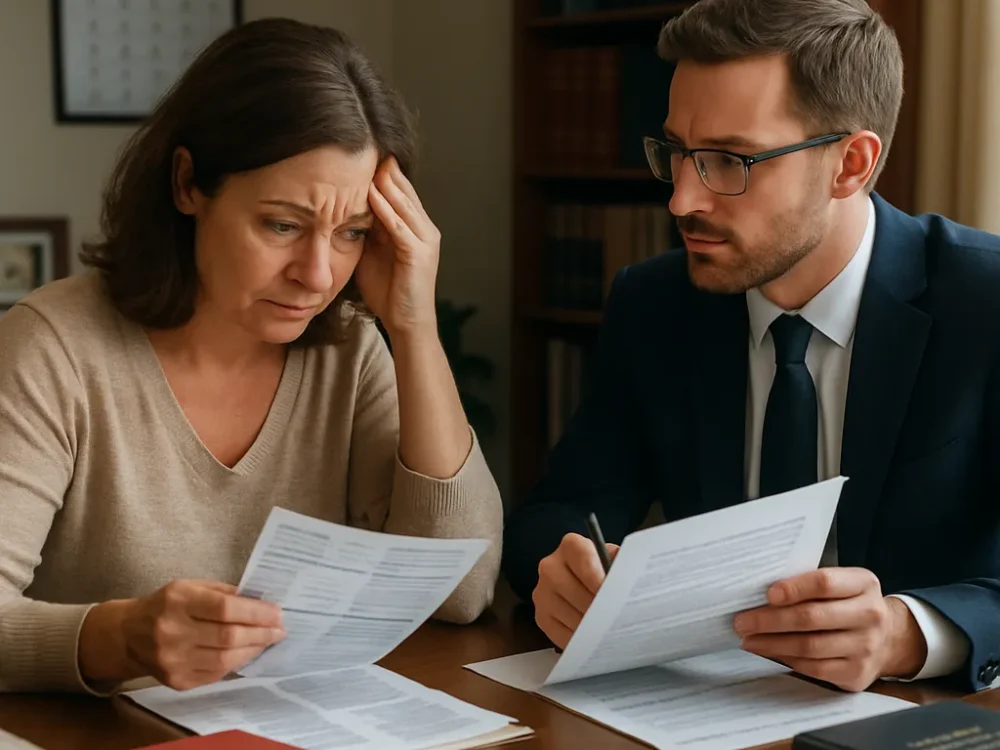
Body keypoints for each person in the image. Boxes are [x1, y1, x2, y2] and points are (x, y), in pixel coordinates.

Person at [502, 0, 1000, 694]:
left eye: (729, 160)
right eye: (677, 152)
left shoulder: (985, 301)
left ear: (850, 164)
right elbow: (557, 512)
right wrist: (559, 570)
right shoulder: (652, 303)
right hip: (695, 711)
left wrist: (908, 632)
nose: (681, 200)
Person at [0, 18, 503, 695]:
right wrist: (123, 638)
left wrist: (412, 326)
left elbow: (461, 590)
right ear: (188, 184)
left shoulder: (349, 349)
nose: (318, 275)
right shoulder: (54, 347)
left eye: (353, 232)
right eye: (283, 225)